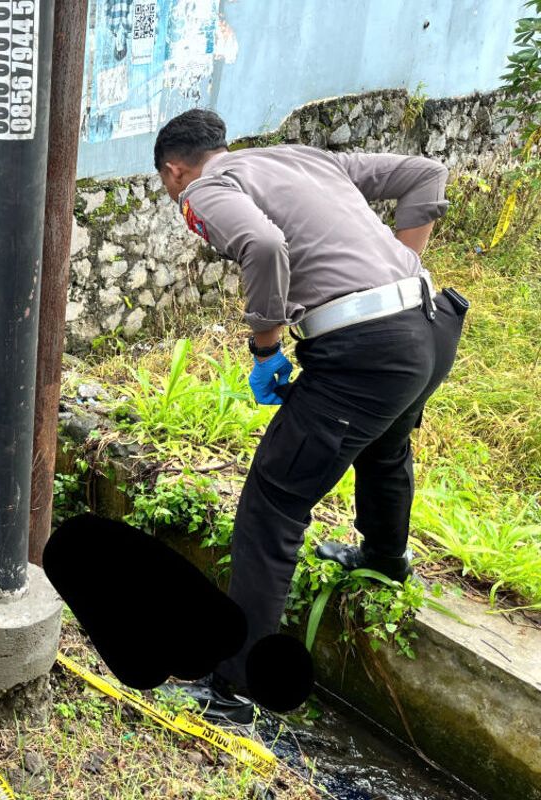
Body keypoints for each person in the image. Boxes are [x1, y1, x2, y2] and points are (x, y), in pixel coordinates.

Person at [151, 109, 465, 723]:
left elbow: (263, 246)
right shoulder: (301, 157)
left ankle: (235, 692)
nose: (174, 194)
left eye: (169, 185)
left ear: (173, 170)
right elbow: (427, 174)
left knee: (273, 502)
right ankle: (383, 558)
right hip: (431, 327)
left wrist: (265, 346)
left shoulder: (204, 189)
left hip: (371, 353)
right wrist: (399, 275)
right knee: (385, 444)